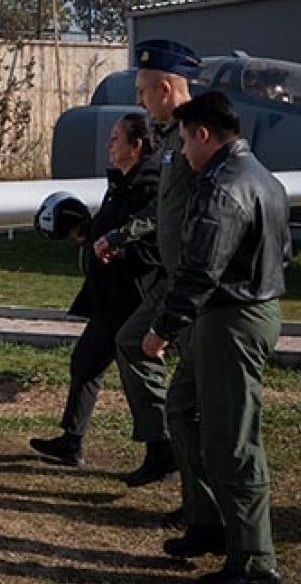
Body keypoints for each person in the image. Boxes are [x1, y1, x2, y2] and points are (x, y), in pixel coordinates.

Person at [143, 91, 289, 584]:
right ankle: (206, 520)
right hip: (237, 313)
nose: (182, 152)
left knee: (234, 440)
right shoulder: (263, 178)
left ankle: (254, 562)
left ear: (203, 135)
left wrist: (162, 328)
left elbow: (200, 270)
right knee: (182, 409)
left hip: (232, 319)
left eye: (185, 141)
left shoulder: (223, 186)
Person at [93, 39, 200, 488]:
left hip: (196, 279)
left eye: (142, 91)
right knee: (133, 342)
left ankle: (196, 488)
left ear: (165, 88)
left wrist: (120, 234)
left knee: (194, 393)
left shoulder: (198, 136)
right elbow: (164, 210)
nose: (138, 100)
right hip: (176, 276)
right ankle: (162, 450)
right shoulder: (172, 139)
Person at [29, 113, 159, 466]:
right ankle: (72, 442)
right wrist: (81, 231)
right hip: (110, 298)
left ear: (137, 146)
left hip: (135, 299)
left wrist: (115, 249)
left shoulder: (150, 187)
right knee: (85, 362)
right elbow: (105, 230)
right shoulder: (122, 183)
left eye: (116, 138)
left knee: (140, 379)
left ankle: (161, 453)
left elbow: (154, 247)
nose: (109, 144)